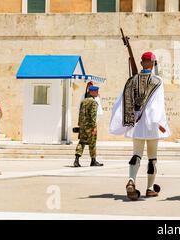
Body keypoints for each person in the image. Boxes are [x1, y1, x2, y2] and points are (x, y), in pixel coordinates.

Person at [110, 52, 170, 201]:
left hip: (136, 122)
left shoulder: (131, 80)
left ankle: (131, 180)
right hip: (151, 124)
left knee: (136, 154)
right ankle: (150, 189)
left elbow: (122, 101)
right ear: (153, 63)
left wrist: (125, 120)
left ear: (142, 62)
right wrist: (161, 123)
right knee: (152, 158)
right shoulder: (157, 81)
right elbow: (157, 104)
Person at [73, 86, 103, 167]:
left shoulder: (83, 101)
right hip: (90, 126)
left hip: (83, 126)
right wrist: (94, 127)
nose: (97, 93)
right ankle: (93, 161)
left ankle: (76, 160)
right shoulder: (93, 102)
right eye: (96, 91)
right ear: (91, 92)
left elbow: (80, 114)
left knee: (82, 142)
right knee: (92, 143)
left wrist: (80, 125)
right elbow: (93, 116)